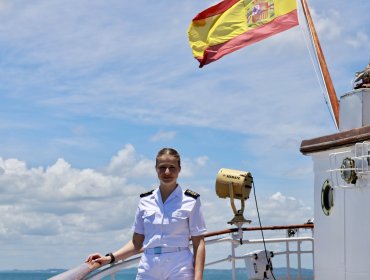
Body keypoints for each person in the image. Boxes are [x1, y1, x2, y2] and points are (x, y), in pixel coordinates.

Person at [86, 148, 207, 280]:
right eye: (162, 167)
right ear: (156, 169)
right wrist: (110, 258)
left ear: (179, 169)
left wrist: (198, 277)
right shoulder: (145, 201)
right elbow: (136, 243)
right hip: (149, 266)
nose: (167, 172)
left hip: (179, 265)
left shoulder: (191, 200)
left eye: (172, 167)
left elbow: (198, 242)